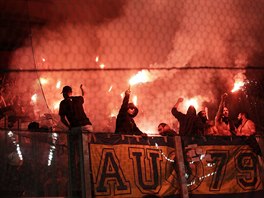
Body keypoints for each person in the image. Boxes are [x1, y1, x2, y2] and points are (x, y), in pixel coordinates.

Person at [59, 85, 93, 197]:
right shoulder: (78, 98)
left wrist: (69, 126)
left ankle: (78, 164)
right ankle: (89, 165)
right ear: (71, 92)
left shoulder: (63, 103)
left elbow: (62, 119)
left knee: (76, 149)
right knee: (88, 149)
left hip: (77, 127)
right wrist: (82, 88)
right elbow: (85, 95)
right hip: (88, 126)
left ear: (64, 93)